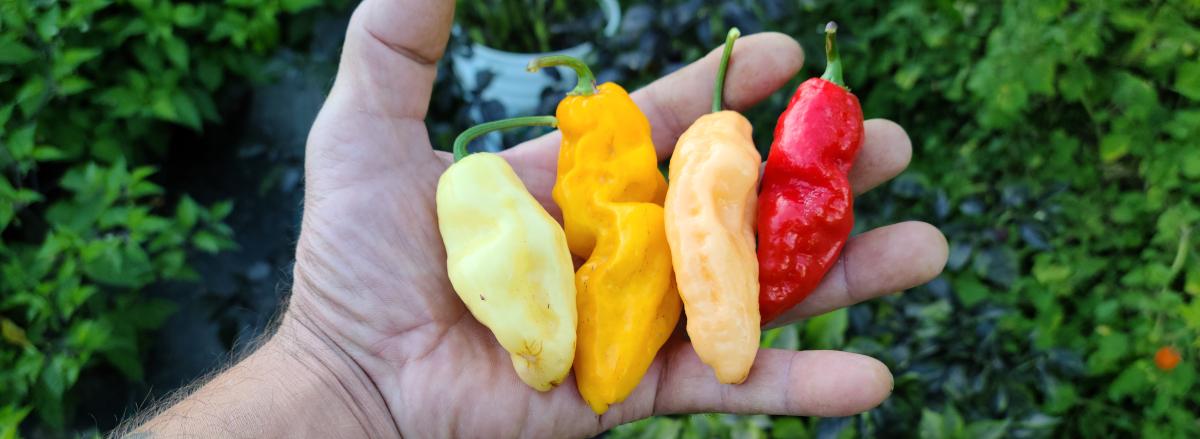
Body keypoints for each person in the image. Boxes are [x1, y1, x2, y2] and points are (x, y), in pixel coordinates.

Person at [116, 1, 949, 437]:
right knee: (643, 226)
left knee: (663, 219)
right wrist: (341, 366)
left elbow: (775, 202)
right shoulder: (592, 160)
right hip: (577, 302)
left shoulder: (699, 150)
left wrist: (344, 379)